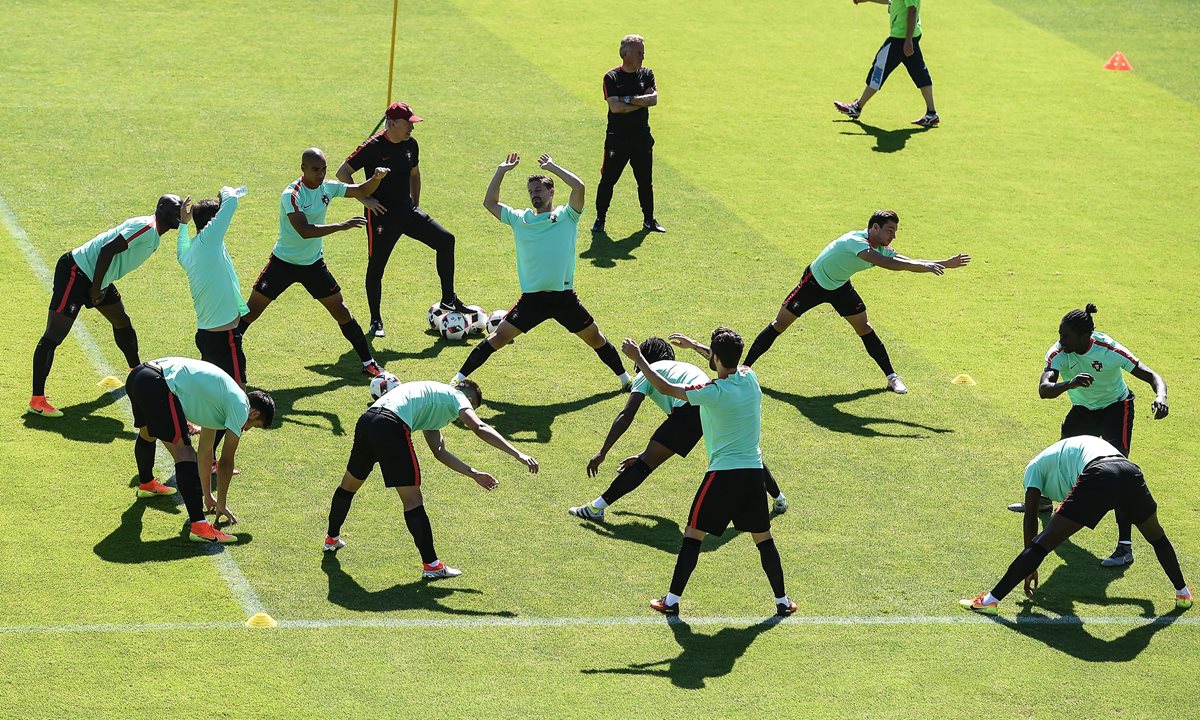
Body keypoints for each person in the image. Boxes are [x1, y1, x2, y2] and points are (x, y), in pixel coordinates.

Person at [621, 328, 796, 617]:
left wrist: (640, 358)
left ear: (715, 357)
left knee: (693, 534)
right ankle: (782, 601)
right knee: (763, 539)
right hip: (753, 474)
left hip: (722, 476)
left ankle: (672, 600)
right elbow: (726, 362)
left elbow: (666, 389)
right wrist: (695, 346)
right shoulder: (750, 378)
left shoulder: (711, 393)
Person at [1006, 304, 1169, 569]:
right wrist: (1069, 384)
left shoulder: (1109, 350)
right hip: (1083, 410)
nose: (1060, 341)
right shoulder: (1059, 352)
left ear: (1085, 337)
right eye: (1060, 334)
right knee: (1059, 457)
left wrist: (1160, 396)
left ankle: (1124, 548)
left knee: (1119, 475)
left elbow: (1151, 375)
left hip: (1117, 408)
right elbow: (1044, 390)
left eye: (1066, 336)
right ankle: (1043, 501)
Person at [323, 379, 538, 578]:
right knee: (413, 501)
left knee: (349, 486)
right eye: (473, 408)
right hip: (391, 425)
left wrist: (474, 474)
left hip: (368, 420)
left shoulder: (433, 400)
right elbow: (479, 427)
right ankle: (432, 565)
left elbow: (439, 451)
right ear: (470, 400)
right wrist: (518, 454)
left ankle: (331, 539)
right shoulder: (458, 397)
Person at [452, 153, 631, 390]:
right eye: (531, 191)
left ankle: (626, 380)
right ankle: (458, 379)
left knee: (596, 338)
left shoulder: (568, 216)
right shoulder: (520, 219)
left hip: (563, 299)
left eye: (539, 190)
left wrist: (553, 167)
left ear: (551, 192)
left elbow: (579, 187)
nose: (534, 194)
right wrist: (501, 171)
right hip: (532, 301)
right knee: (499, 338)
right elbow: (490, 203)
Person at [742, 210, 970, 393]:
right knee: (779, 324)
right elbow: (888, 264)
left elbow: (902, 259)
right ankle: (743, 368)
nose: (893, 236)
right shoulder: (855, 242)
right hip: (813, 284)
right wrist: (926, 267)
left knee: (864, 327)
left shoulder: (880, 246)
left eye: (895, 231)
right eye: (890, 230)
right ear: (874, 228)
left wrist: (942, 263)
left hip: (840, 286)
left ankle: (892, 378)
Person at [962, 436, 1192, 615]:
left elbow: (1030, 516)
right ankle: (1183, 593)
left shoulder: (1033, 468)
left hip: (1099, 473)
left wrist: (1030, 567)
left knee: (1044, 542)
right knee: (1156, 536)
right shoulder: (1062, 454)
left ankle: (990, 601)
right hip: (1130, 471)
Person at [570, 335, 788, 521]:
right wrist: (693, 345)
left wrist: (603, 451)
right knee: (745, 453)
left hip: (690, 410)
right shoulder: (683, 367)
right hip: (710, 406)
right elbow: (721, 362)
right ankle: (779, 499)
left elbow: (626, 415)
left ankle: (595, 508)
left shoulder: (647, 372)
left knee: (645, 465)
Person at [29, 195, 187, 417]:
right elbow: (107, 250)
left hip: (98, 278)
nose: (179, 214)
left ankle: (136, 371)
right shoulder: (147, 228)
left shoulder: (155, 237)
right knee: (54, 336)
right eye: (175, 209)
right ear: (161, 209)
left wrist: (99, 286)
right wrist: (95, 288)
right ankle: (37, 400)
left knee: (122, 321)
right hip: (76, 272)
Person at [240, 148, 389, 377]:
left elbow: (360, 189)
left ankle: (368, 361)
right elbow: (304, 231)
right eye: (315, 169)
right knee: (251, 312)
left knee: (341, 312)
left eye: (324, 169)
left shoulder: (327, 187)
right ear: (303, 169)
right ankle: (226, 351)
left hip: (313, 265)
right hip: (283, 263)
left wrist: (376, 178)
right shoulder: (292, 195)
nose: (320, 174)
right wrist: (341, 225)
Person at [336, 101, 472, 338]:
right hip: (381, 216)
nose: (412, 128)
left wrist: (415, 205)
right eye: (407, 124)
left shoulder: (411, 145)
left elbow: (415, 174)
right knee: (376, 268)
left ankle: (448, 299)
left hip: (407, 211)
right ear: (391, 124)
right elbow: (342, 172)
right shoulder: (373, 146)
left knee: (446, 240)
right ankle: (376, 321)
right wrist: (365, 200)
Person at [126, 357, 274, 543]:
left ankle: (147, 484)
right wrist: (222, 503)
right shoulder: (241, 407)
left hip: (139, 376)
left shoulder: (220, 403)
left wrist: (208, 495)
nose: (246, 429)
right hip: (158, 382)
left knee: (148, 432)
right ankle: (199, 526)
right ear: (254, 414)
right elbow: (226, 462)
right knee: (185, 452)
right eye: (254, 426)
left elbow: (206, 453)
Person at [592, 34, 666, 235]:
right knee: (608, 180)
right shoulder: (612, 77)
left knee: (645, 181)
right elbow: (616, 108)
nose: (643, 56)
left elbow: (653, 99)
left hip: (642, 139)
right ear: (626, 54)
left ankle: (649, 220)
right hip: (617, 139)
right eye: (639, 52)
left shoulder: (647, 74)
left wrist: (628, 100)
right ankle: (600, 219)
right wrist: (638, 101)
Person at [834, 0, 939, 128]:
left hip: (900, 39)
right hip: (907, 37)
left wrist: (908, 40)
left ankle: (857, 107)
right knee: (920, 73)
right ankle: (931, 113)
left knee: (879, 68)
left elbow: (912, 10)